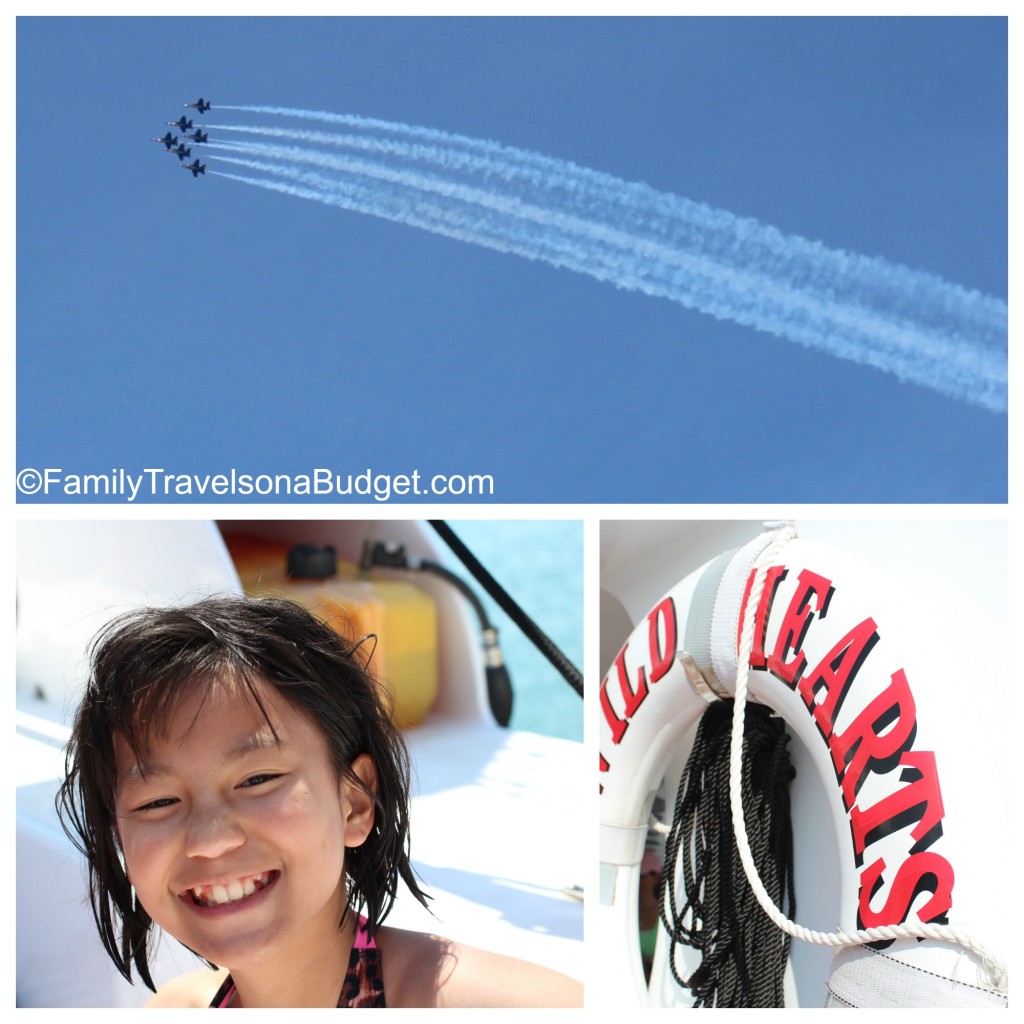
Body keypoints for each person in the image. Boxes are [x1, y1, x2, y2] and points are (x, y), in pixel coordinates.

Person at [56, 595, 582, 1008]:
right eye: (158, 802)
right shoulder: (174, 1008)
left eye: (258, 778)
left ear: (354, 802)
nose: (212, 840)